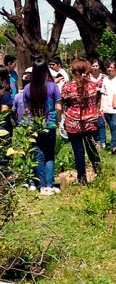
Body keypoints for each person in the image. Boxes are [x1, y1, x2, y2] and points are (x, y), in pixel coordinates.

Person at [22, 58, 62, 196]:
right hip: (49, 124)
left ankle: (41, 185)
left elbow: (26, 110)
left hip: (34, 124)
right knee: (49, 155)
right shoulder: (53, 86)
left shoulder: (27, 88)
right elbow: (58, 107)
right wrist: (58, 121)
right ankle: (49, 185)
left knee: (38, 155)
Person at [61, 59, 101, 184]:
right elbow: (96, 100)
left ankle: (82, 179)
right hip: (91, 122)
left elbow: (64, 101)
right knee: (92, 149)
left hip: (73, 122)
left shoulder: (67, 87)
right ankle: (99, 173)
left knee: (78, 151)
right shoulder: (92, 85)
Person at [100, 60, 116, 154]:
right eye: (108, 67)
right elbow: (103, 93)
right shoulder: (105, 79)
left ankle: (114, 146)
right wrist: (101, 106)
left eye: (111, 67)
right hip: (107, 107)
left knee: (114, 125)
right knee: (112, 127)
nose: (109, 69)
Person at [88, 58, 107, 149]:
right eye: (93, 66)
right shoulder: (87, 77)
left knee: (101, 122)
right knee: (94, 123)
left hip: (101, 101)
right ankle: (96, 140)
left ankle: (103, 141)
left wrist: (100, 90)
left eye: (96, 66)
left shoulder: (104, 77)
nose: (95, 68)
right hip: (91, 103)